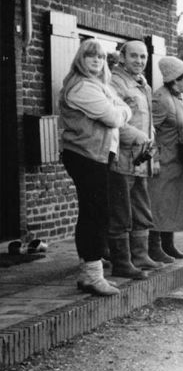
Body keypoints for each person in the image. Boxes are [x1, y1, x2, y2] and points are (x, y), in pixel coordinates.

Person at [59, 38, 132, 296]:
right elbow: (115, 116)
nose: (97, 61)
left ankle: (87, 273)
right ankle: (93, 275)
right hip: (86, 155)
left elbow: (124, 109)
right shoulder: (81, 87)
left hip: (97, 155)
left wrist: (119, 111)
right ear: (81, 58)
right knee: (96, 214)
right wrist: (119, 112)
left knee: (94, 212)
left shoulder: (99, 85)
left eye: (101, 57)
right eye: (91, 56)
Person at [107, 39, 161, 279]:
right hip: (122, 157)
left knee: (141, 207)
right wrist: (139, 138)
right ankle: (122, 262)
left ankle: (140, 255)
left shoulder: (143, 84)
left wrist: (151, 144)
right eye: (134, 56)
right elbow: (114, 121)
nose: (139, 61)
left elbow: (147, 121)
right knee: (121, 211)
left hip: (141, 158)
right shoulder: (114, 83)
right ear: (122, 58)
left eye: (143, 57)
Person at [147, 56, 183, 263]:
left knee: (172, 202)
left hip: (178, 161)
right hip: (164, 161)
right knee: (159, 202)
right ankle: (154, 247)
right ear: (175, 79)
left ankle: (168, 245)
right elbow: (150, 131)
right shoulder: (160, 99)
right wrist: (154, 158)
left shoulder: (180, 97)